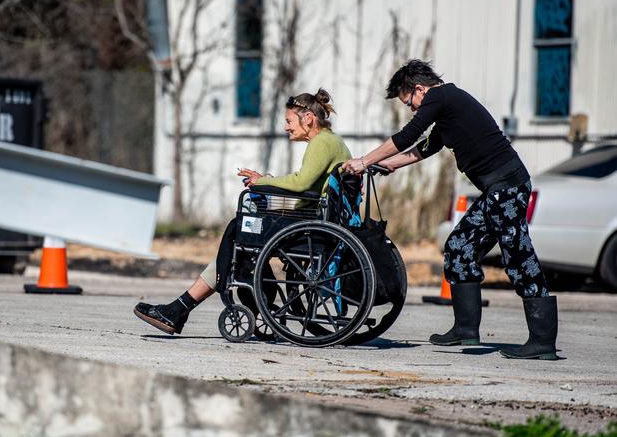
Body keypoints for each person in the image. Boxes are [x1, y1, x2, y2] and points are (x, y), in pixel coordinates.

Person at [342, 59, 558, 360]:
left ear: (419, 89)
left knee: (519, 258)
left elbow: (407, 136)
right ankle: (466, 329)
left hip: (508, 187)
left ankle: (542, 341)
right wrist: (387, 165)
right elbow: (426, 147)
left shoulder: (440, 97)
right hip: (497, 190)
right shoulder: (448, 108)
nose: (414, 110)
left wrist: (363, 160)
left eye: (410, 103)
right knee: (459, 248)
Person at [134, 88, 352, 335]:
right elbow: (306, 185)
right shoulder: (332, 141)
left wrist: (262, 182)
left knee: (239, 229)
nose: (286, 127)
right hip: (315, 221)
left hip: (309, 227)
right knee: (240, 232)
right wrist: (268, 181)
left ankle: (184, 307)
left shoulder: (322, 143)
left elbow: (301, 184)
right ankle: (191, 306)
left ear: (308, 118)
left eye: (289, 121)